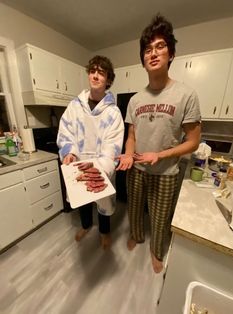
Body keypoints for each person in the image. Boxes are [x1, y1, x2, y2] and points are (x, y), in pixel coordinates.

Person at [116, 14, 201, 272]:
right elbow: (131, 136)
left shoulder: (186, 94)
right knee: (134, 210)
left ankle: (157, 251)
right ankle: (137, 236)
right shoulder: (135, 100)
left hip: (165, 172)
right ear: (143, 59)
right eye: (147, 49)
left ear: (171, 54)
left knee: (160, 217)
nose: (153, 53)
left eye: (160, 46)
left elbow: (194, 142)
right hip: (137, 170)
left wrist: (161, 155)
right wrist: (129, 155)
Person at [57, 55, 124, 250]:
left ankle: (104, 232)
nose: (95, 76)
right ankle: (86, 226)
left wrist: (98, 169)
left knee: (103, 202)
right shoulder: (74, 106)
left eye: (101, 73)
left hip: (101, 167)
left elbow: (113, 144)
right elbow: (65, 131)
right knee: (82, 200)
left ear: (108, 80)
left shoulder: (113, 113)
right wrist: (69, 152)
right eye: (92, 71)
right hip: (78, 163)